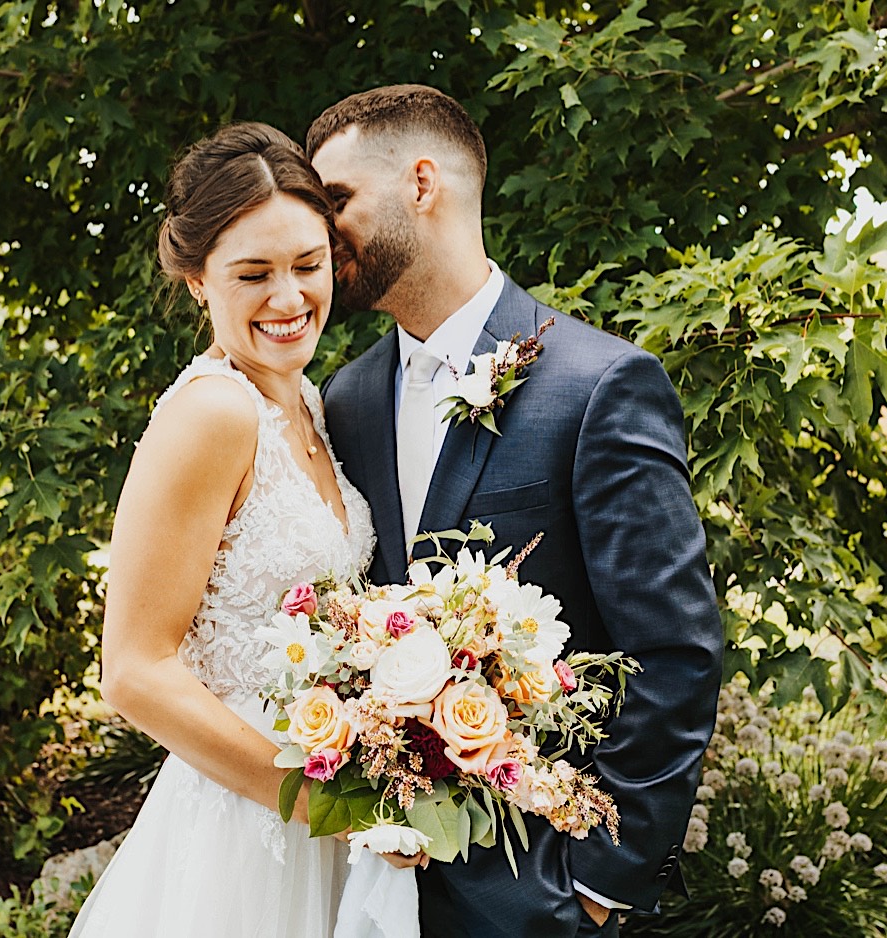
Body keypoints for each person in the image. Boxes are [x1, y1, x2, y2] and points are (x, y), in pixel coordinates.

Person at [312, 85, 724, 938]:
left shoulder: (600, 385)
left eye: (337, 200)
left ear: (422, 183)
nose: (321, 232)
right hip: (376, 888)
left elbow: (675, 653)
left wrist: (599, 885)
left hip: (540, 890)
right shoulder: (344, 399)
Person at [68, 123, 394, 938]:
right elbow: (135, 671)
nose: (288, 299)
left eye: (307, 266)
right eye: (253, 274)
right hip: (253, 830)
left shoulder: (310, 404)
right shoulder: (212, 414)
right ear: (197, 283)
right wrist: (319, 800)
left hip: (333, 806)